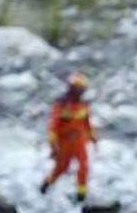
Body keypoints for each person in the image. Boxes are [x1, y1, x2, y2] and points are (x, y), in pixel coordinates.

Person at [41, 72, 96, 202]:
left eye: (82, 89)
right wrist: (53, 145)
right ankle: (47, 183)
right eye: (77, 88)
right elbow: (53, 126)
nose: (80, 91)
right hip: (64, 141)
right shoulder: (60, 105)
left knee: (84, 165)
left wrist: (92, 137)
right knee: (62, 168)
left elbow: (87, 122)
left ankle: (81, 192)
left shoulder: (84, 105)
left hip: (79, 140)